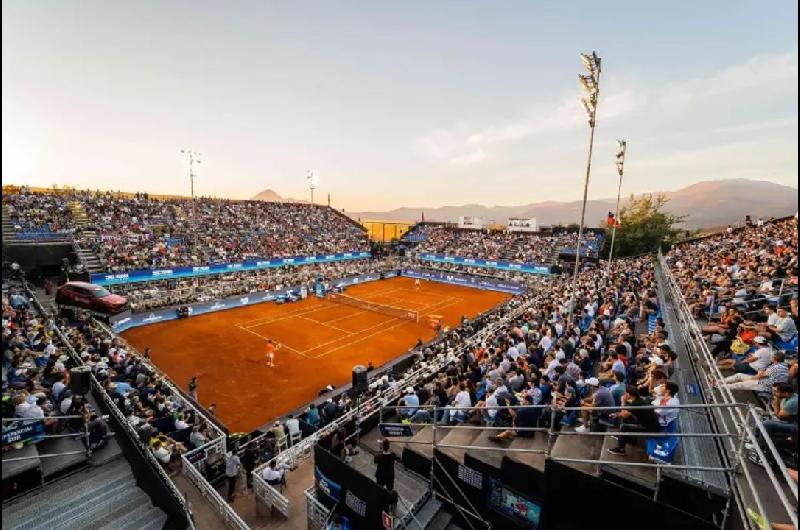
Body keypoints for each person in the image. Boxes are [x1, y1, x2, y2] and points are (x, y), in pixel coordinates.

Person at [607, 386, 661, 456]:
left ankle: (621, 449)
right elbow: (627, 413)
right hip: (651, 424)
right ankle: (625, 437)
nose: (624, 395)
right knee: (628, 419)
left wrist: (623, 401)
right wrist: (617, 415)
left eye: (625, 393)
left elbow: (624, 415)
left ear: (628, 394)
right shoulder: (639, 400)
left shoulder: (636, 403)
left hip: (649, 428)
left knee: (624, 427)